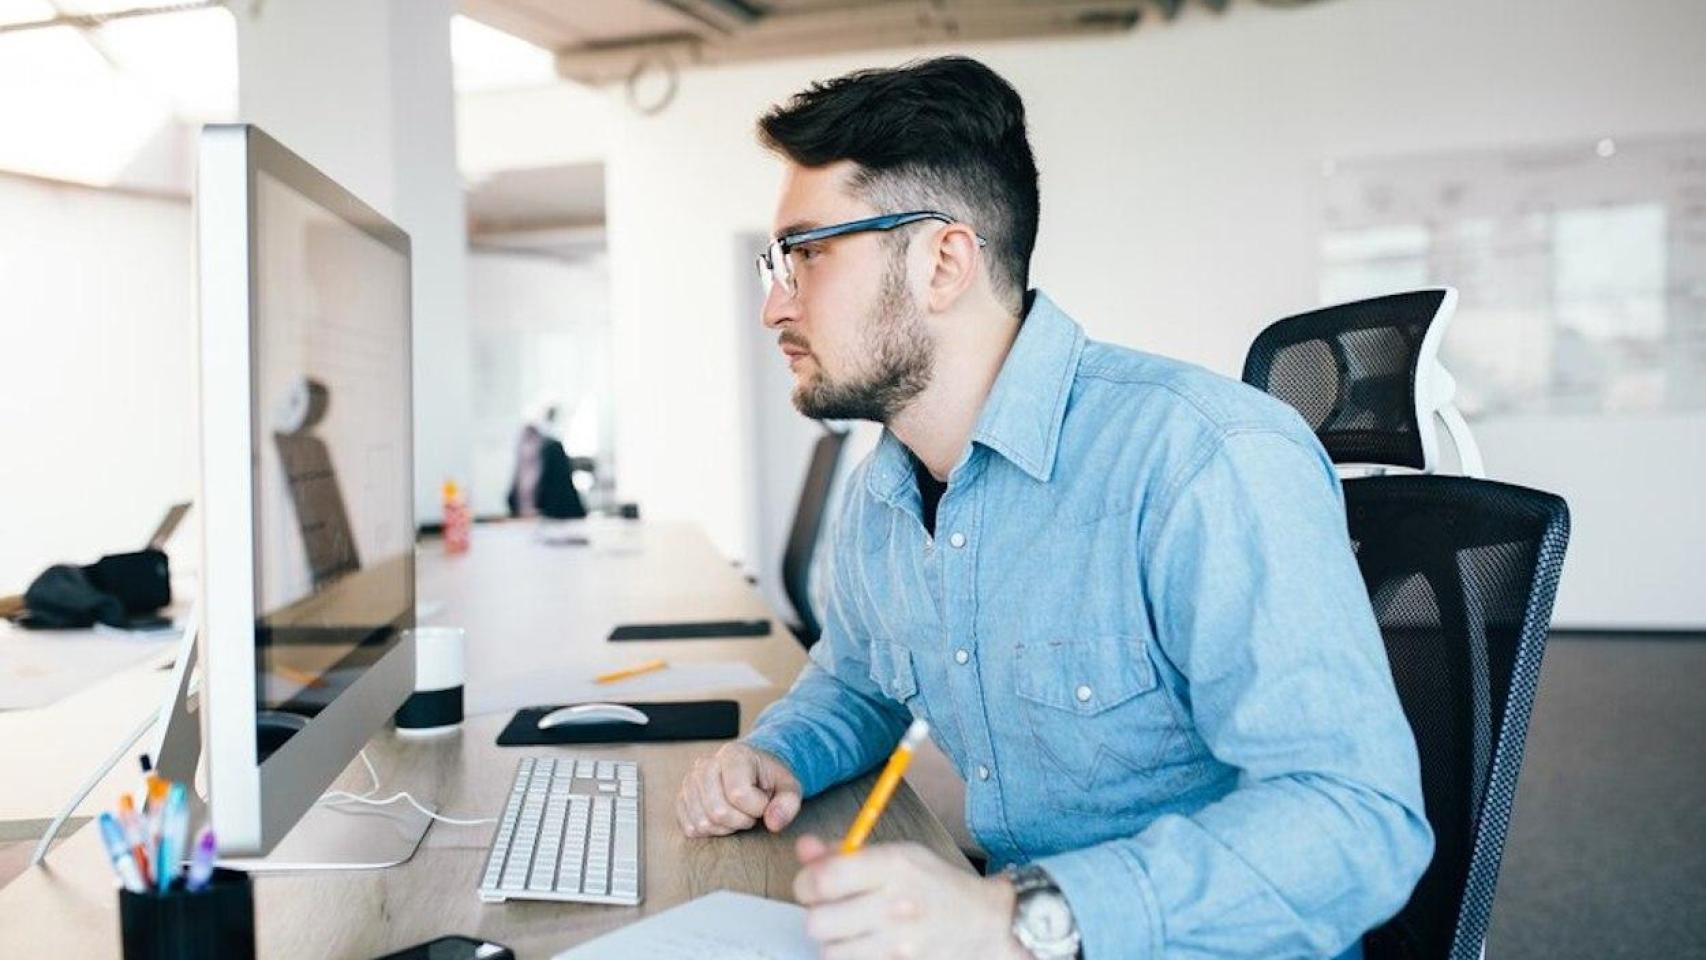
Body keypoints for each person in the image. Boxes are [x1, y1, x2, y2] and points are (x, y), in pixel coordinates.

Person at [676, 57, 1432, 960]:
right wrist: (780, 754)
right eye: (776, 263)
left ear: (944, 261)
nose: (772, 304)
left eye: (805, 256)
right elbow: (858, 680)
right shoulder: (888, 489)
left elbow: (1358, 825)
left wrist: (1017, 917)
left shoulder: (1202, 461)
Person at [507, 407, 586, 520]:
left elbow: (562, 498)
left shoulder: (553, 450)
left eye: (532, 437)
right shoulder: (522, 465)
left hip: (557, 522)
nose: (527, 446)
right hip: (529, 523)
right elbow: (513, 500)